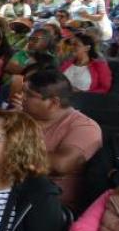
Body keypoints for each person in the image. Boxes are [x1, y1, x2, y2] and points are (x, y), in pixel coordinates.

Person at [19, 70, 103, 209]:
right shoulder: (19, 116)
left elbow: (60, 165)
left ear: (53, 103)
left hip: (50, 206)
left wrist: (7, 151)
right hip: (8, 193)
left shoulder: (85, 127)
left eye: (29, 95)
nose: (22, 97)